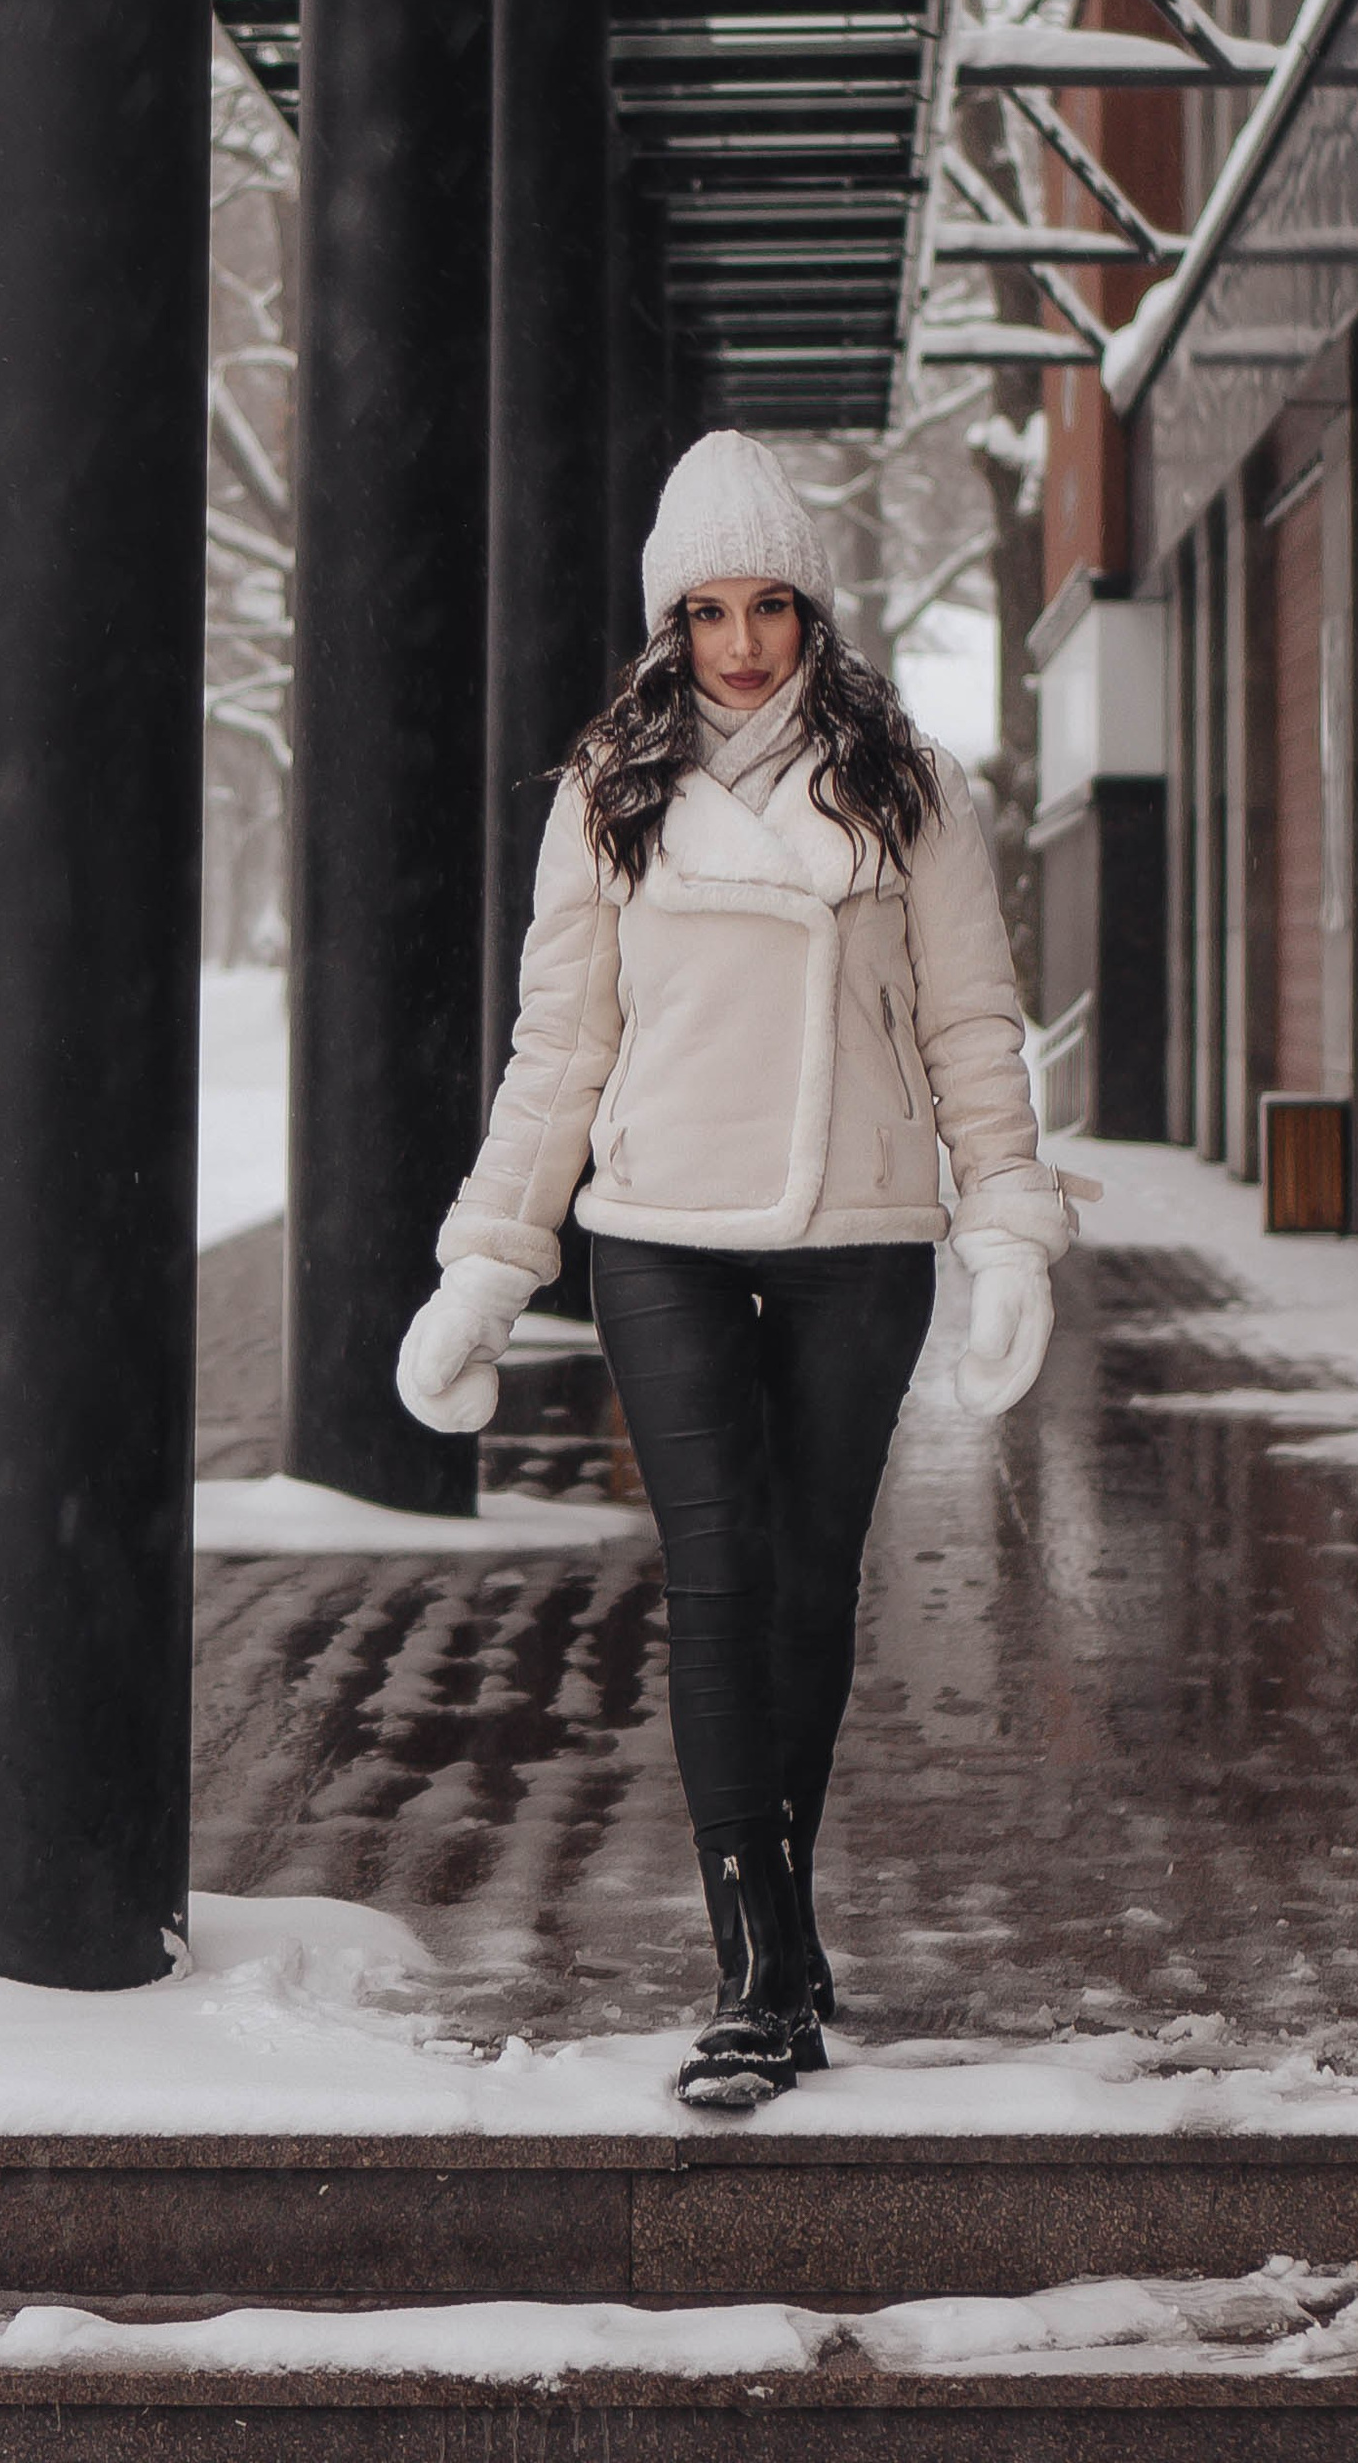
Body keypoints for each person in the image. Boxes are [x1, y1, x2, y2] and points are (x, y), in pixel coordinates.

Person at [396, 430, 1076, 2111]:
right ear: (668, 622)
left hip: (857, 1240)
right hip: (661, 1240)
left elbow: (973, 1023)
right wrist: (489, 1261)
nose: (745, 643)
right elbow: (557, 1054)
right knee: (714, 1582)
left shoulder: (906, 786)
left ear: (812, 614)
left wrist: (1005, 1220)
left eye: (771, 604)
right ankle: (759, 1962)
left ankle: (782, 1930)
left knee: (806, 1585)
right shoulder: (606, 802)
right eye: (710, 610)